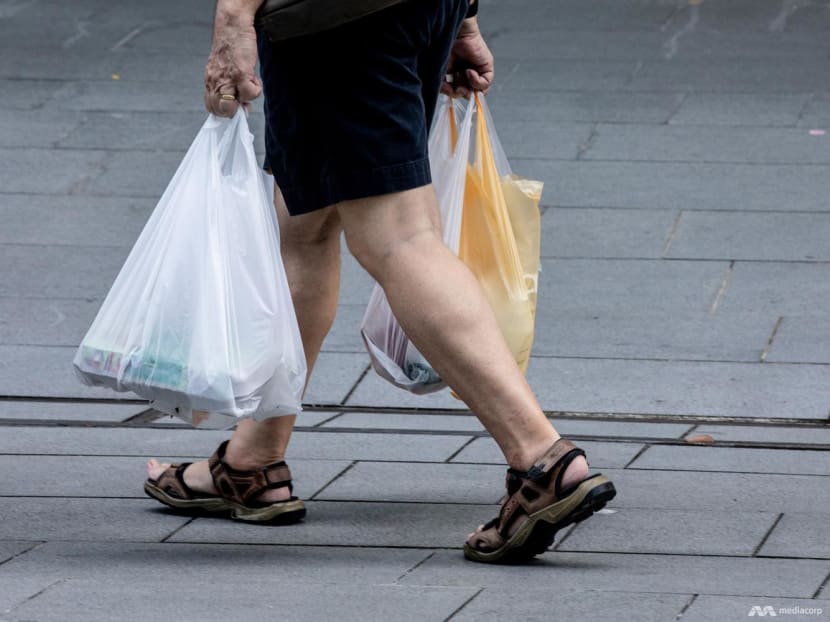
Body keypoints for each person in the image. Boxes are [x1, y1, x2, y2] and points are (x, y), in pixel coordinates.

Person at [145, 0, 616, 563]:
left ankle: (542, 461)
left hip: (338, 21)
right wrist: (463, 13)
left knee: (400, 237)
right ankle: (253, 459)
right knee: (306, 216)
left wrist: (233, 14)